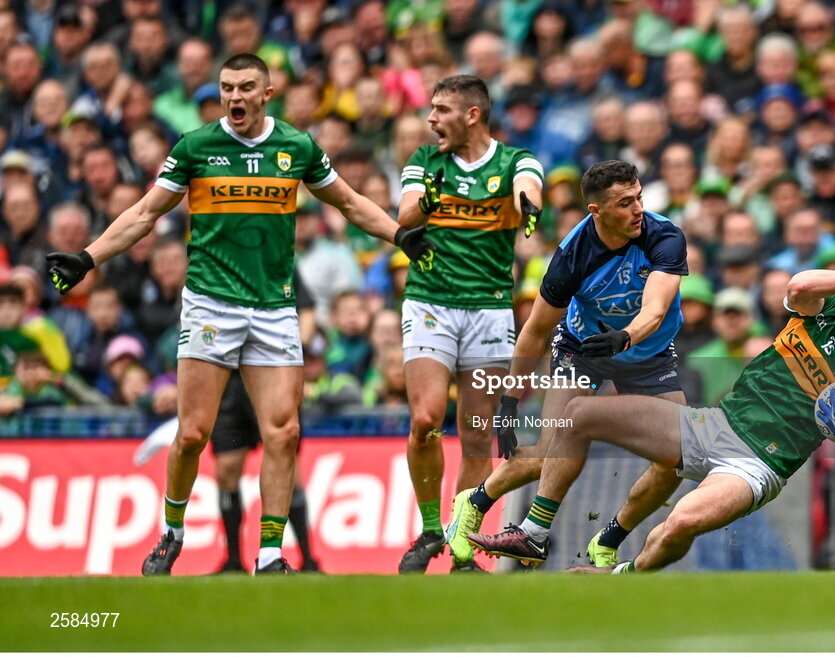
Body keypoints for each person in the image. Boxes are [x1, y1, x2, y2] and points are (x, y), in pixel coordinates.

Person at [46, 53, 434, 576]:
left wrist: (398, 234)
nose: (235, 97)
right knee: (192, 434)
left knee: (284, 432)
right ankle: (172, 531)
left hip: (274, 309)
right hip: (211, 304)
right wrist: (88, 257)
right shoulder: (196, 147)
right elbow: (144, 213)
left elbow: (348, 202)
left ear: (266, 93)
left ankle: (271, 553)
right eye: (227, 87)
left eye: (246, 87)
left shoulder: (296, 147)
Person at [467, 260, 835, 570]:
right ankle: (535, 533)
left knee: (679, 521)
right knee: (580, 412)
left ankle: (625, 574)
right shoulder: (821, 310)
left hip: (758, 465)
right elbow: (797, 287)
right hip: (713, 425)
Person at [445, 159, 690, 570]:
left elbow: (657, 307)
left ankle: (607, 539)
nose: (637, 210)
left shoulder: (664, 236)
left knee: (681, 457)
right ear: (596, 211)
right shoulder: (571, 257)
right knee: (546, 453)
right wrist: (508, 402)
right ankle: (477, 502)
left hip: (646, 354)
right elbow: (535, 331)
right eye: (625, 202)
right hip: (583, 349)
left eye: (639, 197)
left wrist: (625, 336)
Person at [396, 74, 543, 573]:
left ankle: (460, 544)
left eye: (441, 109)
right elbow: (404, 214)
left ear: (472, 115)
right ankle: (430, 529)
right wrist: (429, 201)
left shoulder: (514, 161)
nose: (431, 118)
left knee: (479, 435)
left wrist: (528, 205)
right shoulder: (424, 161)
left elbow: (529, 186)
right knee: (424, 422)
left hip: (488, 309)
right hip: (430, 303)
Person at [211, 270, 320, 573]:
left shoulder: (277, 257)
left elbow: (308, 311)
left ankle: (307, 559)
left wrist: (294, 350)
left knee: (290, 466)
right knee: (226, 470)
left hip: (272, 374)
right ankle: (233, 560)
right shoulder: (216, 262)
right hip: (229, 381)